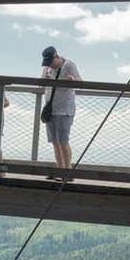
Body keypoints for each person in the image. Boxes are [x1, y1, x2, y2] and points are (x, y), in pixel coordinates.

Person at [40, 45, 82, 173]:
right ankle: (60, 170)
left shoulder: (69, 65)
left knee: (63, 141)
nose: (50, 65)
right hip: (50, 109)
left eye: (51, 62)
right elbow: (41, 82)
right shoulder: (47, 67)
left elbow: (80, 83)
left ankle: (67, 172)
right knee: (55, 142)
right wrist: (45, 78)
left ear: (57, 56)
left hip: (64, 109)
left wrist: (72, 80)